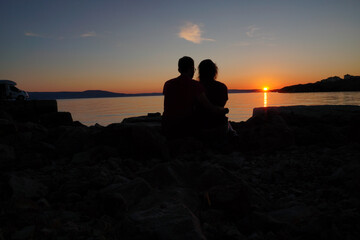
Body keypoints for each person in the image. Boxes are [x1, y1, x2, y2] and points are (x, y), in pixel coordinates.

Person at [162, 56, 228, 138]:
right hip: (185, 127)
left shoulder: (167, 84)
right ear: (192, 69)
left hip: (167, 126)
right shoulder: (195, 85)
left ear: (179, 70)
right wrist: (223, 110)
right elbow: (210, 108)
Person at [197, 59, 237, 138]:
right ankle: (233, 133)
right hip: (220, 127)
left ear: (200, 72)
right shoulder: (222, 87)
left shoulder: (195, 87)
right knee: (226, 123)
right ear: (215, 71)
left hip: (201, 127)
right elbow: (222, 104)